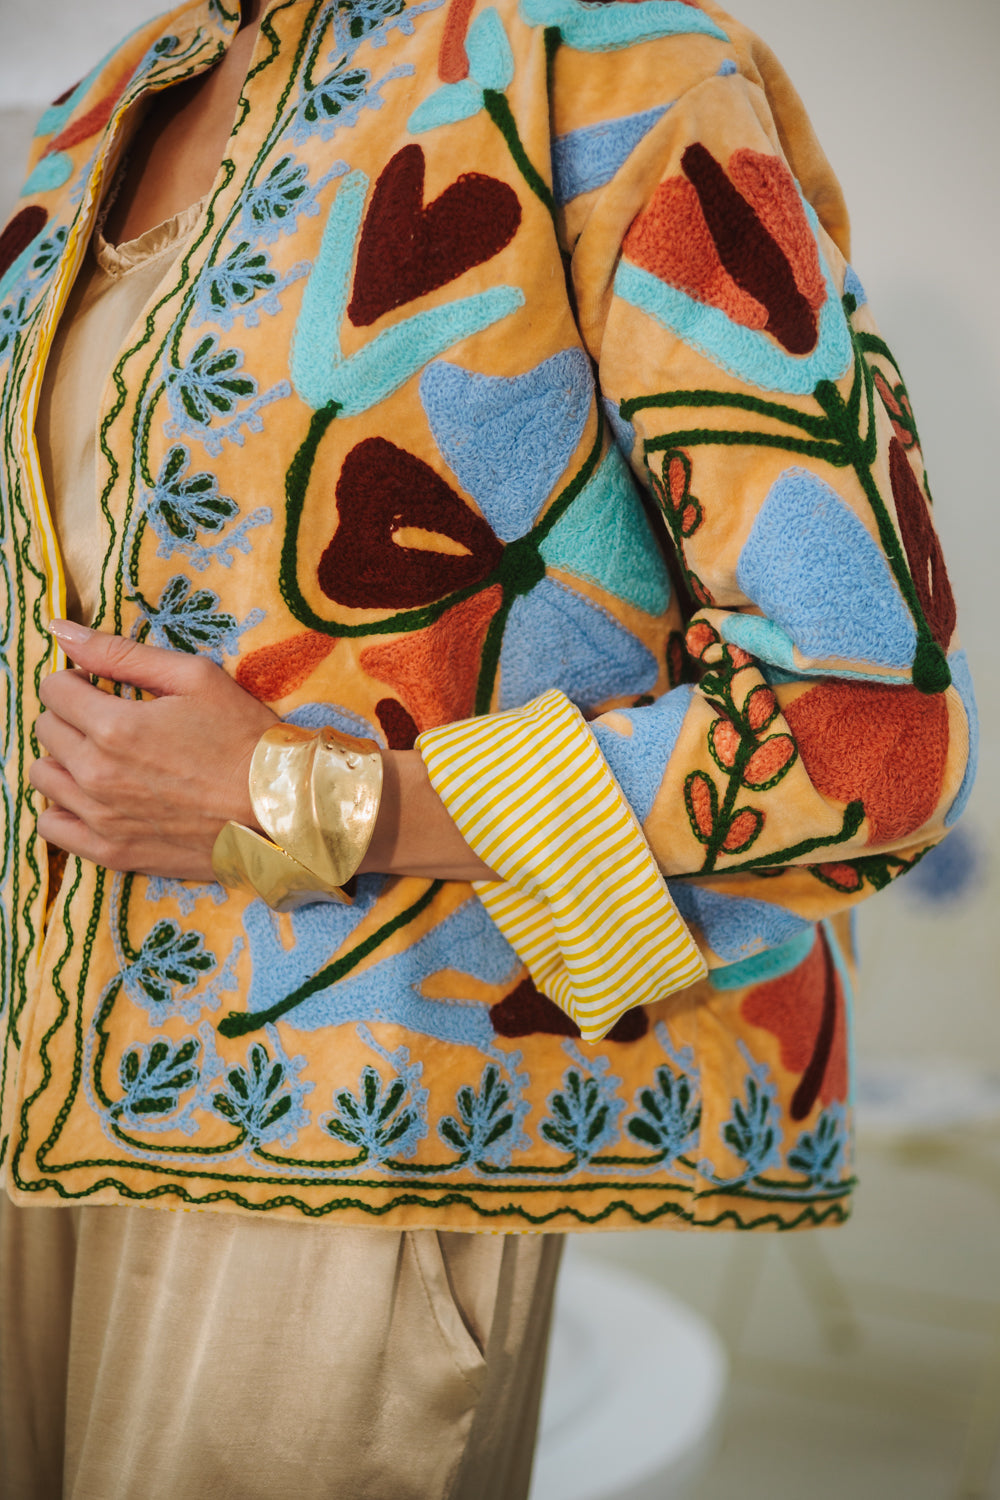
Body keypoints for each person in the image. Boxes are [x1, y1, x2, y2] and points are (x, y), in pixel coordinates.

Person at [0, 0, 976, 1494]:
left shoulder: (605, 63)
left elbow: (871, 724)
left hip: (336, 1149)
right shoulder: (106, 102)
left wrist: (305, 799)